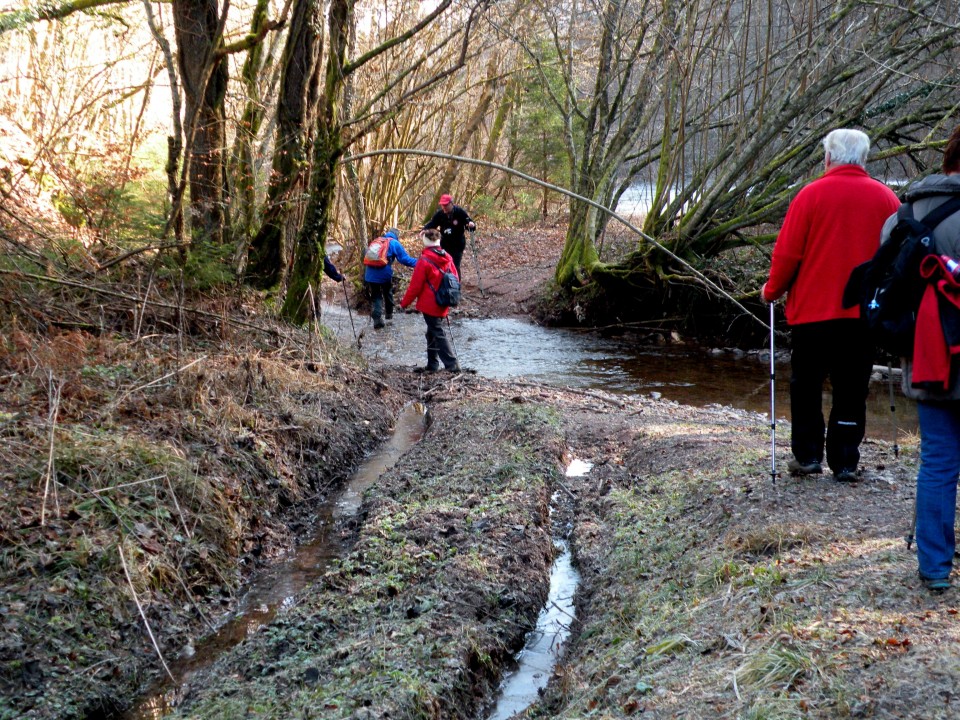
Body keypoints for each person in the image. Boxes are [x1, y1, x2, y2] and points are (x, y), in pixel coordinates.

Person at [762, 128, 900, 482]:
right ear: (864, 159)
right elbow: (898, 258)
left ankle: (807, 456)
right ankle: (845, 461)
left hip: (812, 313)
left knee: (806, 383)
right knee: (852, 386)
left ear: (828, 158)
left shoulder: (809, 196)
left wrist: (772, 290)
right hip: (861, 313)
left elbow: (788, 254)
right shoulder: (887, 200)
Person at [890, 124, 960, 591]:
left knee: (937, 460)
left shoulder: (906, 212)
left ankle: (935, 568)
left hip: (927, 356)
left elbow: (887, 282)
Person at [399, 229, 461, 373]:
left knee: (437, 332)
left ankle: (452, 364)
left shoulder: (424, 260)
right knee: (432, 332)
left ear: (426, 241)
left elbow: (415, 286)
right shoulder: (448, 257)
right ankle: (432, 365)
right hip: (445, 300)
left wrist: (404, 303)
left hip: (430, 303)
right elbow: (456, 279)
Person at [363, 228, 416, 329]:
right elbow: (405, 259)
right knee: (387, 292)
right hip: (384, 273)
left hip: (369, 273)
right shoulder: (394, 243)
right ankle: (389, 314)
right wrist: (420, 262)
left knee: (376, 295)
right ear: (397, 235)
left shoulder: (377, 240)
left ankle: (377, 317)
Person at [422, 193, 476, 277]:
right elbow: (432, 223)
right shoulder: (440, 214)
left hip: (458, 244)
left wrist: (471, 225)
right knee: (444, 264)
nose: (444, 207)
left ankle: (456, 285)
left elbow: (469, 224)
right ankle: (445, 284)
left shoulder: (459, 212)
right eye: (442, 205)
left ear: (451, 203)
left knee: (454, 265)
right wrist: (424, 230)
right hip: (445, 244)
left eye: (446, 205)